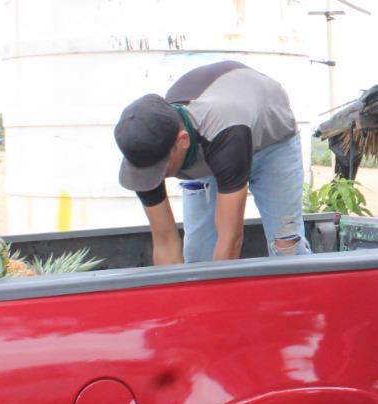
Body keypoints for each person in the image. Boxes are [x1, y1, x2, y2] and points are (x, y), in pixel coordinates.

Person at [115, 60, 311, 265]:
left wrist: (216, 296)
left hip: (271, 143)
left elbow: (230, 240)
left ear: (182, 141)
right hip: (213, 150)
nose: (156, 177)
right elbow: (165, 242)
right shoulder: (143, 154)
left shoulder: (226, 133)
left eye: (160, 169)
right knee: (199, 256)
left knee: (286, 246)